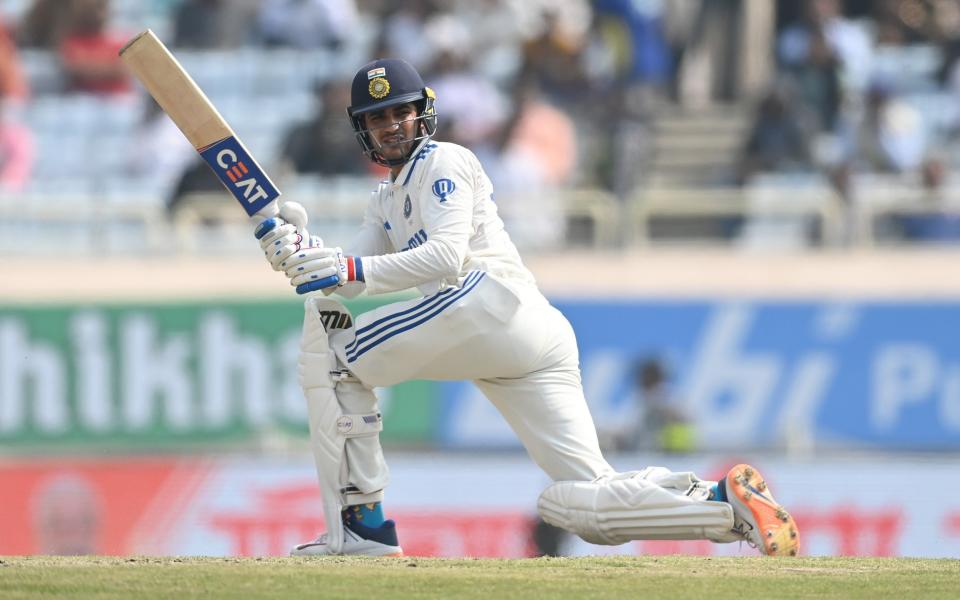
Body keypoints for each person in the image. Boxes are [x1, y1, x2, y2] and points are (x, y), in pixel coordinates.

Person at [253, 58, 800, 557]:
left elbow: (444, 256)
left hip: (489, 301)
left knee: (334, 359)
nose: (392, 125)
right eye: (379, 118)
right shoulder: (384, 197)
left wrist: (340, 268)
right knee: (582, 503)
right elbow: (352, 282)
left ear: (424, 116)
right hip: (526, 336)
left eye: (402, 111)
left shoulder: (445, 161)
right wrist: (303, 253)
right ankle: (722, 503)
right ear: (363, 130)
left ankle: (362, 528)